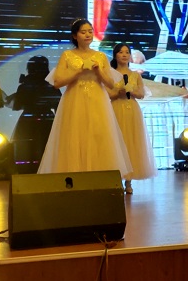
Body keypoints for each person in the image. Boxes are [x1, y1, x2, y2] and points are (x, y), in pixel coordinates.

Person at [38, 19, 133, 175]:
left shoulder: (100, 56)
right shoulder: (67, 55)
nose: (88, 35)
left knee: (98, 135)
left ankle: (98, 175)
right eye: (83, 32)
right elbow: (57, 82)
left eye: (90, 31)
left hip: (97, 100)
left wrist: (98, 71)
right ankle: (74, 175)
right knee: (75, 135)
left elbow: (110, 83)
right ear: (75, 36)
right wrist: (79, 71)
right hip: (74, 99)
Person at [107, 43, 157, 193]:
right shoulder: (110, 74)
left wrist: (131, 91)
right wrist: (119, 92)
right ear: (115, 55)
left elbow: (141, 94)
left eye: (127, 52)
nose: (124, 55)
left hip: (132, 110)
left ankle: (128, 182)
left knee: (131, 142)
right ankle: (116, 179)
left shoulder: (135, 75)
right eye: (121, 52)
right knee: (116, 142)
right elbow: (107, 94)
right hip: (115, 108)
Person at [7, 56, 61, 171]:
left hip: (27, 121)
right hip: (47, 120)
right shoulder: (51, 86)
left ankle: (28, 171)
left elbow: (17, 105)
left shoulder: (24, 86)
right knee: (46, 146)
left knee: (27, 149)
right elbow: (58, 105)